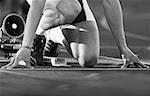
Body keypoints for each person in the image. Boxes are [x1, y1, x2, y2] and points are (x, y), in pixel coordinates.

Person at [1, 0, 149, 69]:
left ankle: (53, 35)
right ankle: (39, 36)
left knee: (89, 59)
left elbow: (110, 2)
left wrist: (124, 49)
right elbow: (39, 2)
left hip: (75, 5)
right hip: (44, 3)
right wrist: (26, 46)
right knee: (65, 7)